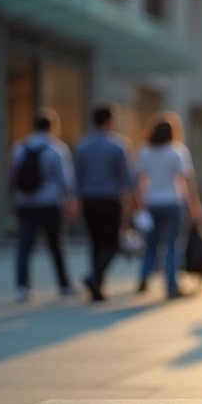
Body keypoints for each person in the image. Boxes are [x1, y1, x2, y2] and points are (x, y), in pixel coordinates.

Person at [10, 109, 78, 303]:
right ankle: (64, 285)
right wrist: (71, 199)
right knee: (56, 245)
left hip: (25, 202)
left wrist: (15, 196)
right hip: (49, 202)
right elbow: (65, 178)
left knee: (25, 245)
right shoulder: (56, 148)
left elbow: (12, 176)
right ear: (52, 127)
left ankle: (22, 287)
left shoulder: (20, 147)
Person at [135, 113, 202, 299]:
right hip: (173, 202)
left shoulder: (145, 151)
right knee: (173, 245)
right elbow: (187, 180)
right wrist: (194, 204)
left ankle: (143, 277)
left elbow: (140, 180)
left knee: (151, 244)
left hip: (152, 203)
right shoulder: (177, 151)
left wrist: (139, 203)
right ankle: (171, 285)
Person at [73, 103, 136, 301]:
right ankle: (95, 277)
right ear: (110, 120)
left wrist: (76, 199)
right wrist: (133, 199)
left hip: (89, 199)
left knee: (96, 242)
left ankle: (97, 286)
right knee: (112, 243)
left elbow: (77, 176)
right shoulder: (118, 145)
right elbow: (127, 177)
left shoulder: (83, 145)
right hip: (110, 200)